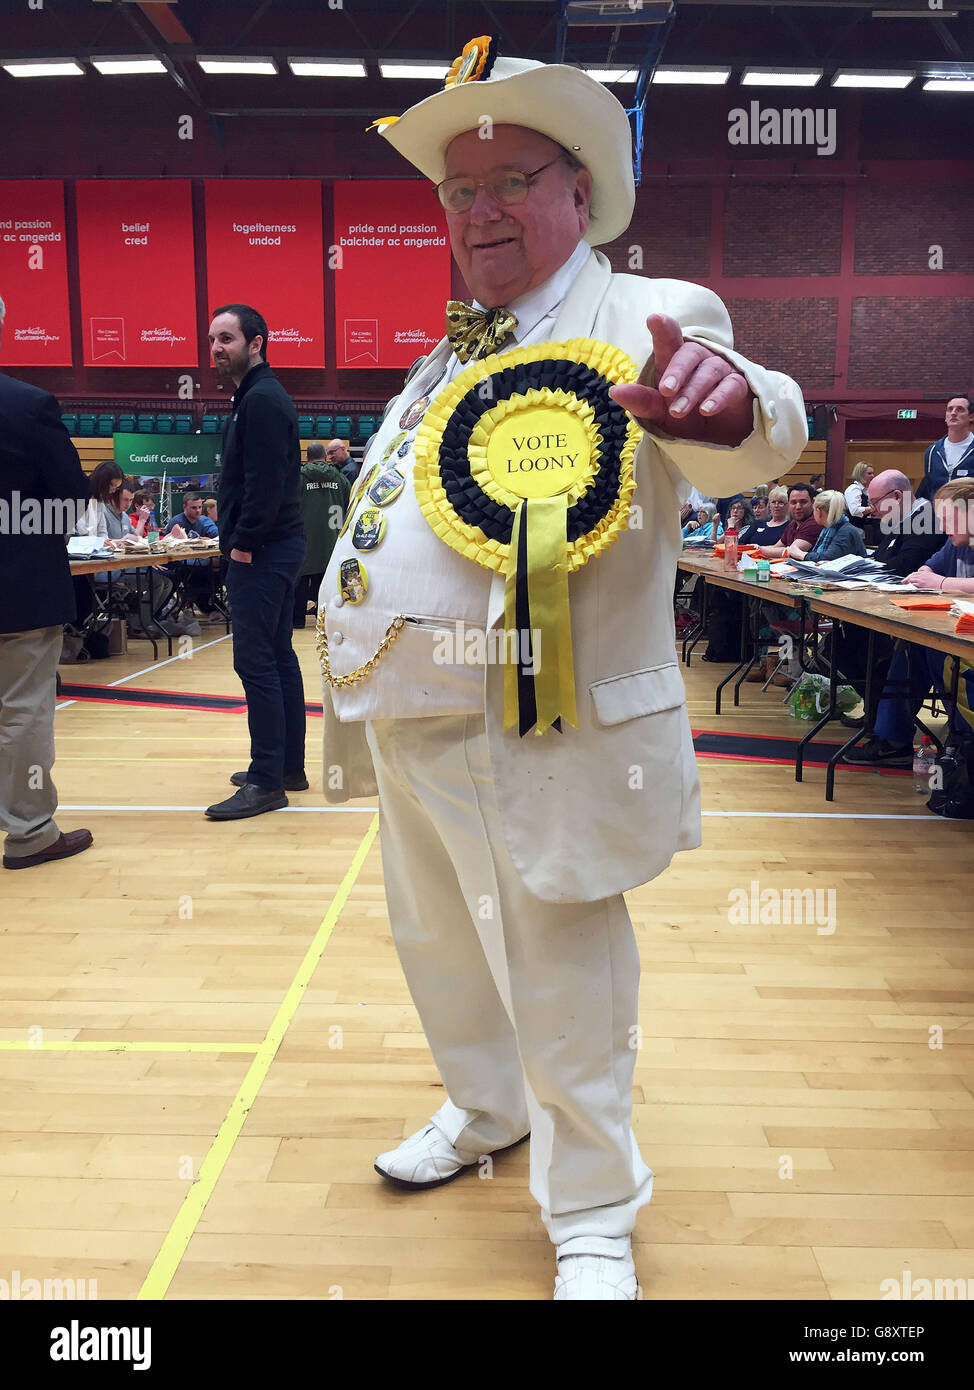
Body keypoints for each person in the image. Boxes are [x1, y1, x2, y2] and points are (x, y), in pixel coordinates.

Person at [316, 39, 807, 1300]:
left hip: (543, 724)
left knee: (564, 969)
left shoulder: (642, 316)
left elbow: (755, 427)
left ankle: (592, 1209)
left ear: (578, 191)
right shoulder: (450, 348)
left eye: (508, 183)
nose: (476, 213)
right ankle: (487, 1112)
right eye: (455, 193)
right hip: (411, 717)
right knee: (439, 944)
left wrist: (737, 403)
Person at [0, 293, 93, 869]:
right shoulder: (26, 405)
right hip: (20, 586)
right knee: (24, 708)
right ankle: (29, 830)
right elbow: (71, 501)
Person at [205, 303, 307, 819]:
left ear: (256, 343)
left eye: (227, 338)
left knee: (256, 661)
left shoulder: (262, 400)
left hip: (263, 551)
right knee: (278, 656)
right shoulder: (255, 397)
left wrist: (242, 543)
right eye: (213, 340)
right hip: (275, 548)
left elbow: (264, 485)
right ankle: (287, 767)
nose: (217, 349)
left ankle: (267, 780)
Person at [845, 478, 974, 766]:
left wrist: (940, 581)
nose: (942, 527)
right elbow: (932, 563)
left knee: (943, 658)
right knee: (910, 647)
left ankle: (964, 740)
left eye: (948, 518)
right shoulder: (956, 542)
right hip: (958, 628)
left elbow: (940, 576)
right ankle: (892, 739)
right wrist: (925, 573)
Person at [293, 442, 349, 629]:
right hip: (332, 541)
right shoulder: (340, 478)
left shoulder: (298, 479)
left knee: (300, 581)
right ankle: (324, 620)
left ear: (306, 458)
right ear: (325, 457)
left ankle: (297, 620)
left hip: (303, 541)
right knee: (325, 582)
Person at [164, 492, 221, 620]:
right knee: (202, 574)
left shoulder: (200, 522)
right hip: (178, 563)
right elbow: (174, 548)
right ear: (185, 507)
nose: (198, 510)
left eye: (200, 507)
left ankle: (209, 605)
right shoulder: (177, 522)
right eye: (194, 508)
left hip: (196, 562)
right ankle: (206, 605)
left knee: (219, 570)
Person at [917, 395, 974, 500]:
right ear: (945, 417)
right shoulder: (932, 451)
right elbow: (929, 487)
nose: (953, 413)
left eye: (960, 409)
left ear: (971, 416)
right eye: (950, 409)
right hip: (938, 514)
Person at [758, 483, 823, 560]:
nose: (798, 507)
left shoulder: (814, 522)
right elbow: (776, 547)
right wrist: (753, 548)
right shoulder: (793, 524)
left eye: (803, 502)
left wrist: (756, 550)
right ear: (788, 504)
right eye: (793, 502)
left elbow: (792, 551)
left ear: (812, 503)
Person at [804, 489, 868, 562]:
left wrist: (801, 554)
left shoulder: (845, 531)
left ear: (819, 511)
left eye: (814, 510)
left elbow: (827, 558)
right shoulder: (832, 528)